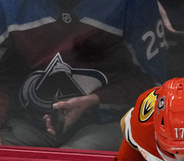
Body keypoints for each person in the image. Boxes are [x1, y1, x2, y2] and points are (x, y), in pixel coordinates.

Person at [0, 0, 167, 150]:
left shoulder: (133, 4)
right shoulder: (7, 5)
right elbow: (4, 77)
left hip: (107, 121)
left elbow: (155, 86)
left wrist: (96, 100)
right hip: (29, 123)